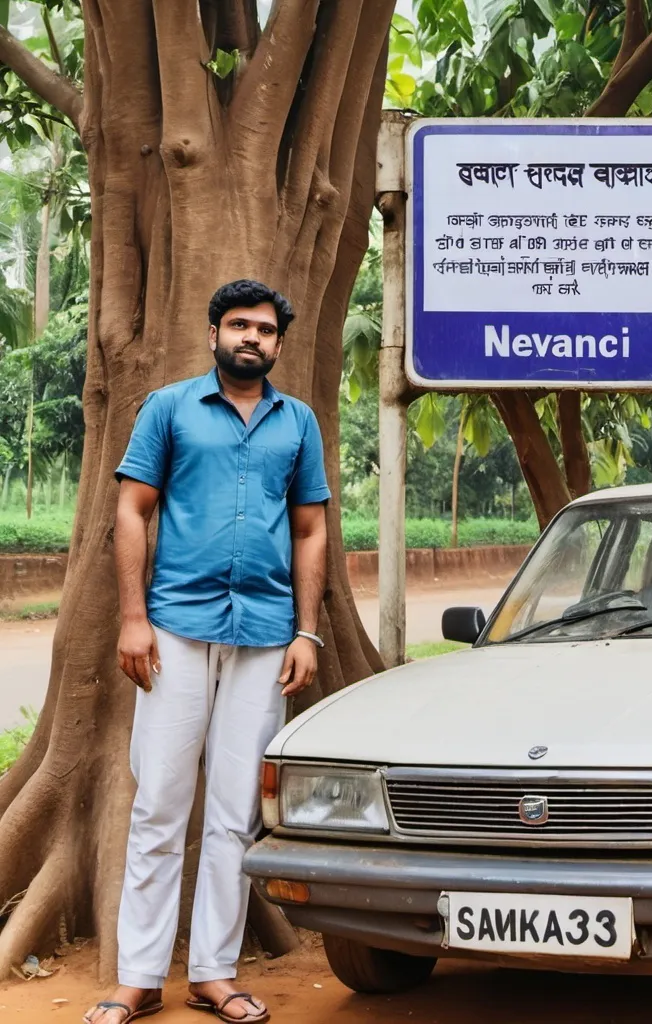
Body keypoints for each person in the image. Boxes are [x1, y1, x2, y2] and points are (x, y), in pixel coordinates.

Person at [85, 280, 330, 1024]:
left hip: (265, 636)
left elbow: (311, 529)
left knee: (232, 812)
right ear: (215, 333)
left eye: (263, 329)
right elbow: (131, 510)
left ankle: (215, 974)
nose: (250, 337)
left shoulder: (299, 423)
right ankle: (137, 976)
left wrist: (308, 632)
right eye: (237, 325)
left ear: (279, 344)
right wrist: (133, 618)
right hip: (175, 630)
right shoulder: (168, 409)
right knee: (159, 801)